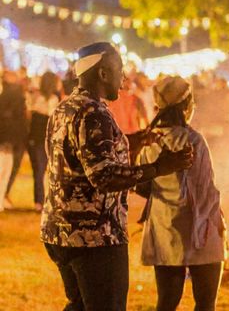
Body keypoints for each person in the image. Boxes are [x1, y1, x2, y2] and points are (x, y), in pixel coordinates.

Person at [41, 42, 194, 311]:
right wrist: (159, 167)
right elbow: (104, 177)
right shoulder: (94, 113)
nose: (123, 80)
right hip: (94, 238)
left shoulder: (64, 108)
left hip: (59, 232)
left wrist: (133, 141)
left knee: (78, 305)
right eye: (119, 71)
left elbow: (78, 159)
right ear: (102, 74)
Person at [136, 75, 226, 311]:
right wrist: (216, 223)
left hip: (165, 229)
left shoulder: (148, 141)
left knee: (167, 301)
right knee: (205, 303)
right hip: (201, 229)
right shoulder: (194, 140)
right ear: (187, 106)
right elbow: (204, 191)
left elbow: (143, 185)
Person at [27, 72, 62, 212]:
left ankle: (39, 201)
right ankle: (45, 201)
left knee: (38, 171)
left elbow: (30, 118)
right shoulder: (53, 99)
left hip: (36, 139)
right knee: (47, 171)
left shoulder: (36, 98)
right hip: (46, 140)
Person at [0, 68, 27, 211]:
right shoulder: (14, 96)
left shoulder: (7, 95)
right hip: (9, 139)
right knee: (5, 170)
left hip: (8, 139)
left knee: (5, 170)